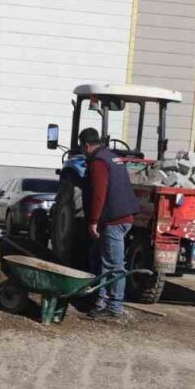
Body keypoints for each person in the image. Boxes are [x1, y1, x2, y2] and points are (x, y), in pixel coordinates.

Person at [79, 127, 140, 321]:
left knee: (113, 265)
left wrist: (93, 221)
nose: (83, 153)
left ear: (86, 145)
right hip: (123, 216)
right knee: (96, 256)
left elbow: (99, 194)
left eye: (82, 148)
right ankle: (99, 300)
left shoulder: (99, 163)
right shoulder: (113, 158)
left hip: (113, 220)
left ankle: (113, 307)